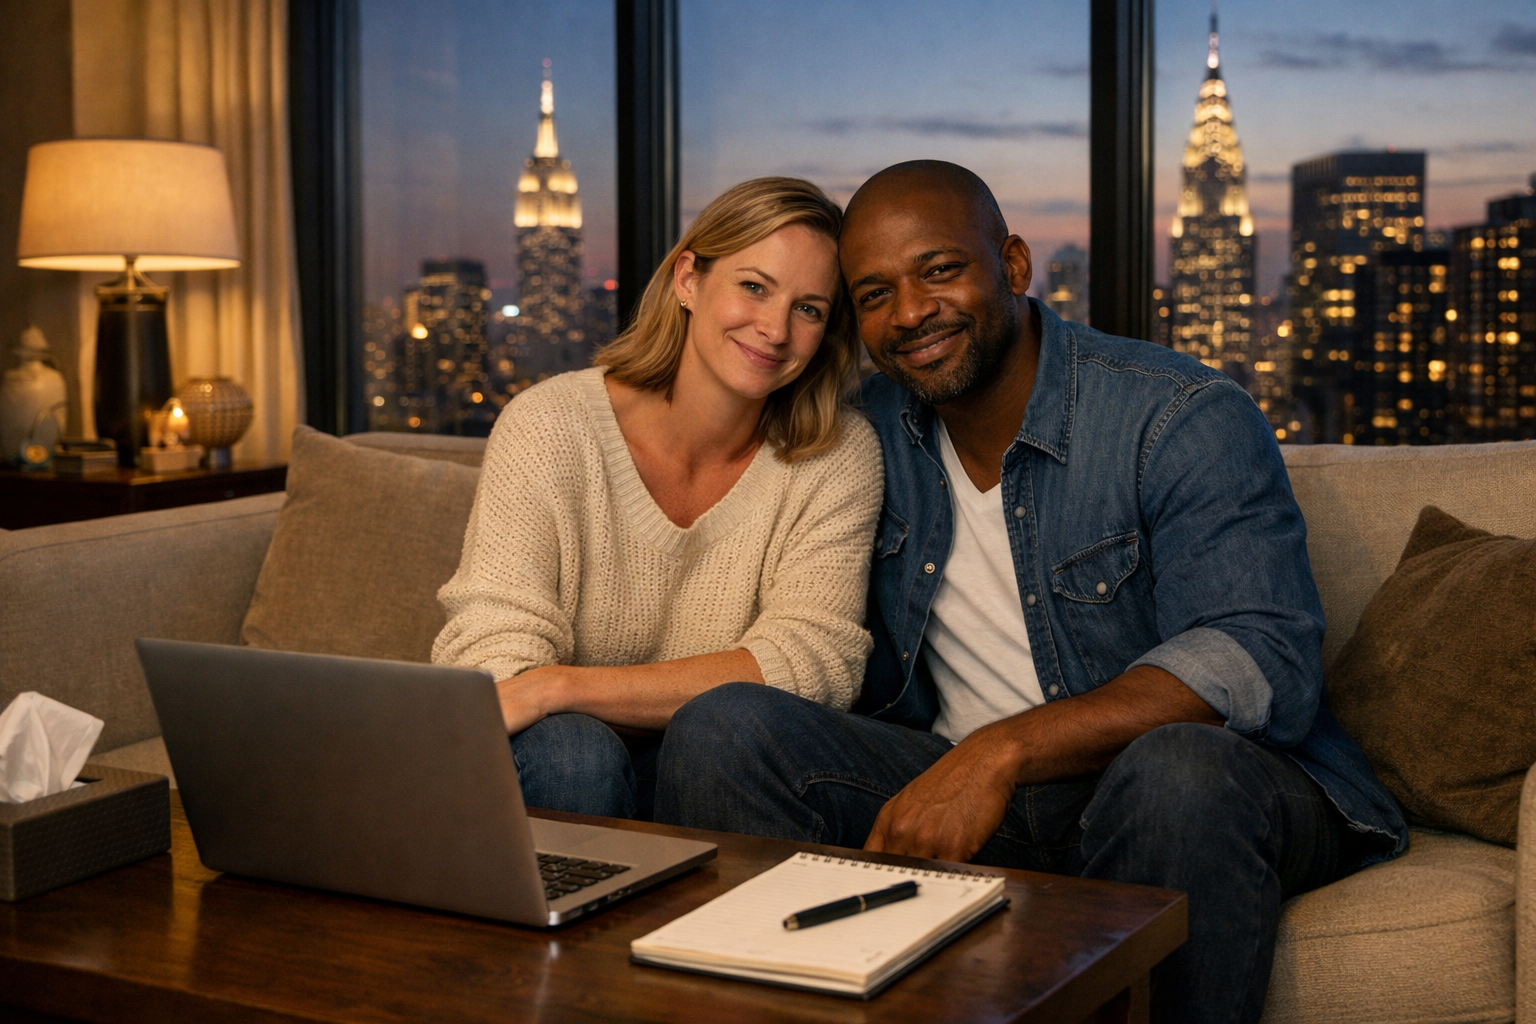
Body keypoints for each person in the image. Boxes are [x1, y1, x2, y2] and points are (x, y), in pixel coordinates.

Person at [654, 161, 1407, 1023]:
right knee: (726, 727)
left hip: (1201, 787)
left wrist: (1000, 752)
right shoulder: (864, 437)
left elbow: (1256, 656)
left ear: (1012, 265)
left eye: (940, 271)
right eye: (873, 294)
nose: (909, 314)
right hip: (976, 791)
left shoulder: (1178, 415)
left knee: (1174, 774)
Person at [433, 177, 882, 821]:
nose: (775, 329)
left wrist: (562, 684)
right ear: (688, 280)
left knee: (723, 738)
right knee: (573, 754)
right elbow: (495, 658)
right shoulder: (549, 425)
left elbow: (812, 664)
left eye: (809, 309)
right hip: (559, 765)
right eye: (753, 286)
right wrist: (598, 705)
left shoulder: (836, 457)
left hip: (730, 772)